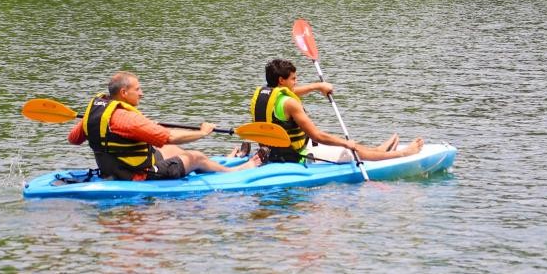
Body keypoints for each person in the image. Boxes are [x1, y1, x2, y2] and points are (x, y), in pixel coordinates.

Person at [68, 71, 261, 180]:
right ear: (124, 93)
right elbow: (167, 136)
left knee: (171, 150)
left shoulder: (94, 113)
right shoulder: (127, 119)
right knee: (195, 156)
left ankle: (219, 162)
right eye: (138, 89)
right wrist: (202, 133)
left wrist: (143, 129)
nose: (142, 93)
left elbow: (73, 139)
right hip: (139, 175)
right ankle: (235, 171)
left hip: (113, 169)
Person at [250, 59, 424, 163]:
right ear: (281, 80)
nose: (296, 82)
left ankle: (378, 150)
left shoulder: (265, 96)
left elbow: (291, 93)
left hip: (272, 153)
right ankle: (403, 153)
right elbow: (317, 136)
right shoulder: (290, 104)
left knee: (348, 144)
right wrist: (344, 143)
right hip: (296, 156)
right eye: (294, 79)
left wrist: (318, 86)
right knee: (350, 149)